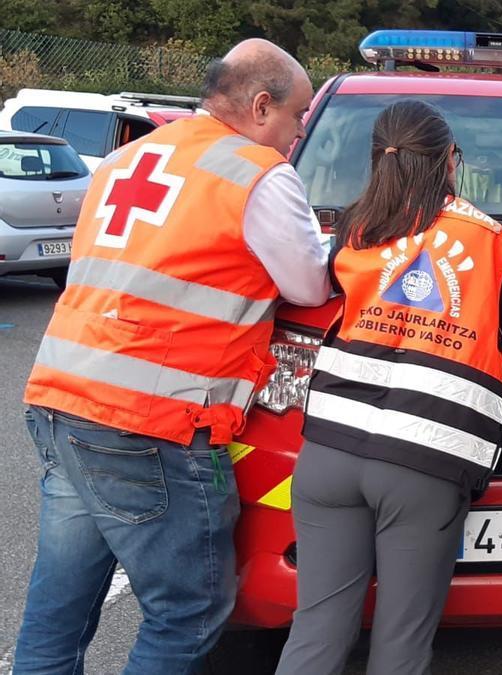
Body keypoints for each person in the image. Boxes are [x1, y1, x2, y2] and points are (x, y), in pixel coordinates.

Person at [15, 39, 329, 674]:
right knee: (188, 609)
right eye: (298, 119)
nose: (298, 135)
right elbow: (309, 286)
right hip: (152, 420)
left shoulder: (127, 158)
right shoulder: (258, 175)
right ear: (262, 106)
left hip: (63, 395)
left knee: (60, 605)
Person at [274, 100, 502, 675]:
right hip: (423, 460)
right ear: (450, 161)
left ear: (378, 160)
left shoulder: (354, 228)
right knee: (400, 644)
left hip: (328, 453)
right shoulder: (486, 238)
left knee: (317, 630)